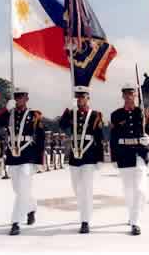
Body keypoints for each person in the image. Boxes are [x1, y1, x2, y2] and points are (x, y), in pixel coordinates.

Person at [0, 87, 45, 236]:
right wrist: (5, 109)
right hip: (13, 155)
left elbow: (41, 138)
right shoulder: (9, 114)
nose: (18, 99)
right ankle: (31, 207)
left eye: (21, 96)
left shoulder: (34, 115)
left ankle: (15, 221)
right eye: (16, 97)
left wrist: (39, 160)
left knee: (22, 189)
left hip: (28, 155)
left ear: (27, 98)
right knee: (18, 189)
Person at [59, 86, 104, 234]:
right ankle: (86, 209)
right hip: (74, 156)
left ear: (87, 98)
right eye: (77, 97)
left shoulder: (95, 115)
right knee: (77, 188)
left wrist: (100, 158)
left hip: (89, 155)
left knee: (87, 188)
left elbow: (99, 137)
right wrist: (67, 111)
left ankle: (85, 220)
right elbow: (62, 126)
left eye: (82, 96)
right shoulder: (71, 114)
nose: (80, 99)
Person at [110, 83, 149, 236]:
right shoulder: (116, 115)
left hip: (139, 154)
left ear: (135, 95)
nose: (129, 96)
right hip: (123, 154)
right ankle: (132, 215)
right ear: (123, 96)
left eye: (131, 94)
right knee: (128, 191)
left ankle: (136, 223)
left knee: (140, 190)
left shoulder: (142, 113)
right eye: (126, 94)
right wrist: (113, 157)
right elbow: (113, 137)